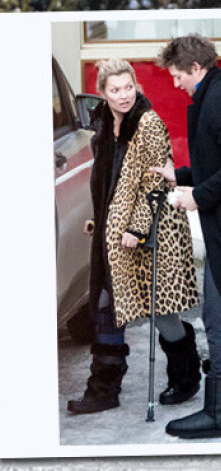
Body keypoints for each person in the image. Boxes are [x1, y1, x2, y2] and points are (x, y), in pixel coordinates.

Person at [67, 58, 199, 414]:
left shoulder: (148, 123)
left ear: (136, 86)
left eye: (129, 87)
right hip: (114, 231)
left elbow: (155, 181)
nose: (124, 95)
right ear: (103, 93)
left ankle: (185, 375)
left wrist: (135, 228)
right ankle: (104, 387)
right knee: (107, 305)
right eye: (115, 90)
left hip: (152, 230)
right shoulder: (104, 125)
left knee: (161, 310)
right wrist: (100, 220)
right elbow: (108, 181)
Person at [151, 34, 221, 438]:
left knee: (215, 318)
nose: (175, 83)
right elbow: (215, 164)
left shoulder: (218, 102)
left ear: (196, 68)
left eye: (178, 75)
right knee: (216, 316)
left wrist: (198, 197)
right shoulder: (211, 97)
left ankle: (216, 413)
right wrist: (178, 177)